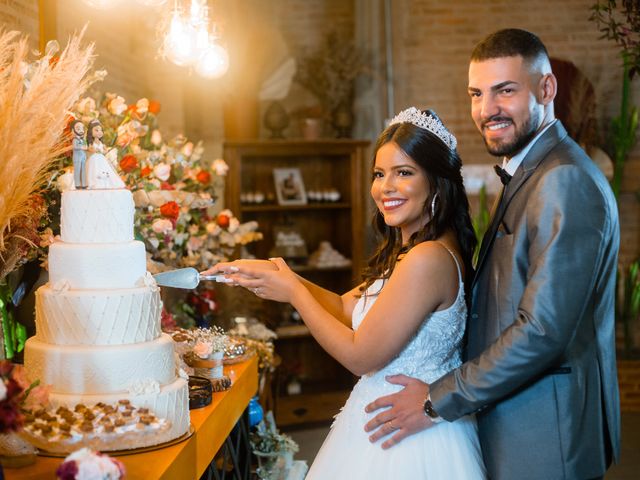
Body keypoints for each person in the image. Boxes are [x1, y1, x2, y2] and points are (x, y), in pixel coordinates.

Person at [364, 29, 621, 480]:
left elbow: (542, 332)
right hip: (515, 426)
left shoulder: (563, 180)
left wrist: (434, 400)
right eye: (476, 94)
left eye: (505, 90)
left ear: (546, 89)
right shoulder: (531, 171)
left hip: (544, 438)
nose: (486, 110)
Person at [205, 107, 486, 479]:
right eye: (379, 174)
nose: (386, 188)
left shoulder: (427, 259)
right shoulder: (414, 250)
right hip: (384, 424)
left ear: (436, 181)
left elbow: (360, 356)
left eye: (404, 173)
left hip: (406, 445)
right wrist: (279, 272)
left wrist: (294, 293)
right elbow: (343, 306)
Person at [85, 119, 125, 189]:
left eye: (101, 130)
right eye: (96, 130)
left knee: (105, 170)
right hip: (94, 159)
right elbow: (90, 149)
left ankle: (104, 183)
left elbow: (105, 151)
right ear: (91, 132)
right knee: (94, 170)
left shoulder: (101, 143)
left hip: (101, 158)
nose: (99, 132)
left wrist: (103, 151)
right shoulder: (91, 143)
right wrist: (94, 150)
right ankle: (94, 182)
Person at [71, 119, 88, 189]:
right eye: (78, 128)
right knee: (77, 170)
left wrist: (84, 146)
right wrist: (82, 147)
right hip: (77, 157)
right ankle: (77, 184)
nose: (81, 130)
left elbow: (86, 146)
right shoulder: (75, 139)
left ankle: (84, 184)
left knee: (83, 170)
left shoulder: (83, 139)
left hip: (83, 156)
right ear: (73, 130)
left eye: (82, 128)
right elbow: (75, 147)